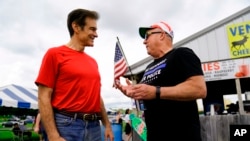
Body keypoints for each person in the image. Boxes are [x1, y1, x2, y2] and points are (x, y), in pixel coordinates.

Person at [115, 21, 207, 141]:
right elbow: (148, 95)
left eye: (147, 36)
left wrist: (156, 92)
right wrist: (133, 92)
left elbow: (199, 89)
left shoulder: (181, 54)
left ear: (162, 35)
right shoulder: (148, 67)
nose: (144, 41)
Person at [35, 8, 114, 141]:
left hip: (94, 127)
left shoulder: (92, 62)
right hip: (67, 126)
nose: (96, 34)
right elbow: (43, 97)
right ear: (76, 27)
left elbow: (96, 97)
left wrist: (107, 125)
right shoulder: (54, 54)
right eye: (92, 29)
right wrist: (53, 136)